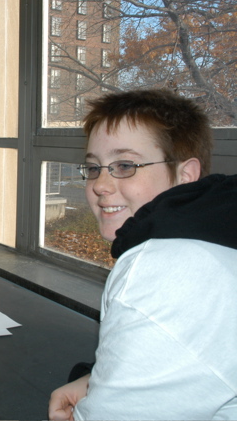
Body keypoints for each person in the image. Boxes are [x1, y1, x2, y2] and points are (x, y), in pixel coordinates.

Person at [48, 89, 237, 420]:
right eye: (93, 168)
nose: (100, 184)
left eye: (124, 165)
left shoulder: (164, 267)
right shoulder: (213, 240)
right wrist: (95, 378)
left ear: (185, 175)